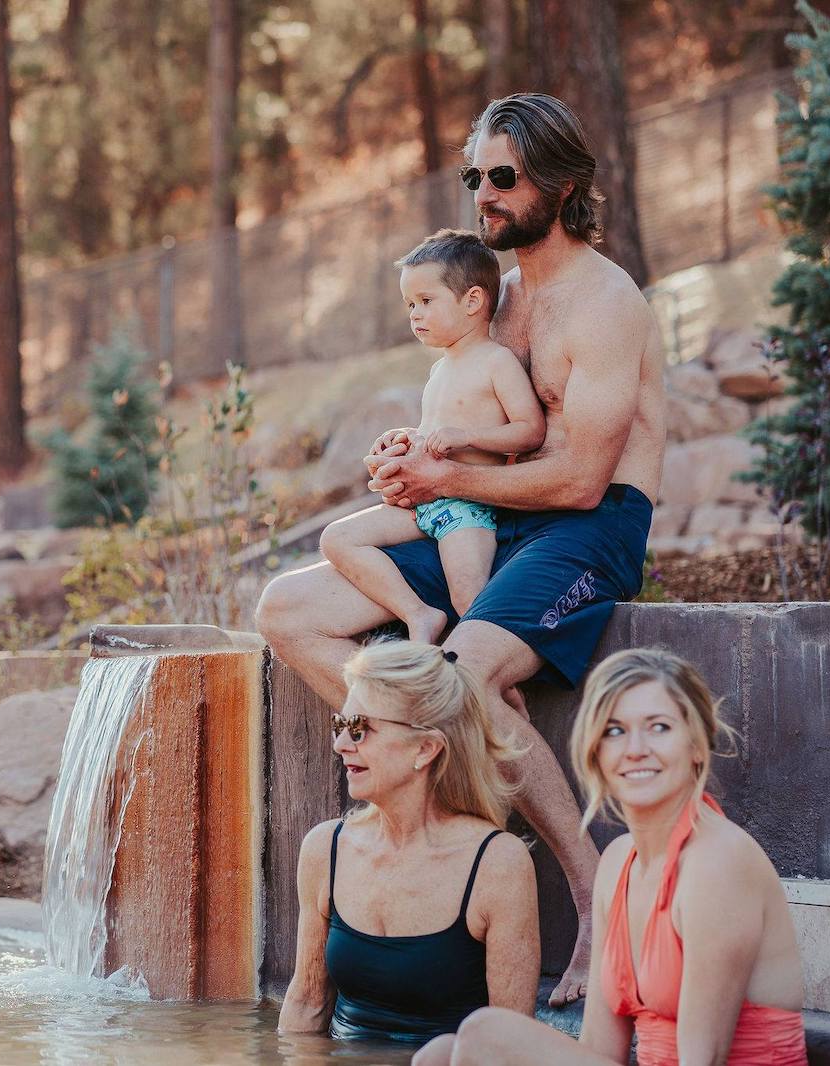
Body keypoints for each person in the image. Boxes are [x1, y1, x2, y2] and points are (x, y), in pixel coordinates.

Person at [257, 92, 666, 1005]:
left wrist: (447, 482)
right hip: (494, 516)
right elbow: (469, 429)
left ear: (560, 184)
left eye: (503, 177)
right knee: (288, 607)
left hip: (589, 525)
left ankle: (597, 899)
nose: (483, 192)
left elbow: (579, 482)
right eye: (473, 174)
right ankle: (457, 781)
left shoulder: (603, 303)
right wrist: (412, 461)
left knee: (473, 673)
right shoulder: (498, 297)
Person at [411, 648, 808, 1066]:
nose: (635, 748)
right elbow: (600, 1053)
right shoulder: (618, 864)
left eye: (658, 727)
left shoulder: (717, 864)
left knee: (485, 1033)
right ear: (595, 752)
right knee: (437, 1055)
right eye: (614, 731)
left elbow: (701, 1060)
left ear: (696, 745)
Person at [277, 640, 539, 1047]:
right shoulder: (324, 849)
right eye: (339, 725)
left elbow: (511, 1041)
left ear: (425, 749)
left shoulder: (497, 864)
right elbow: (307, 1005)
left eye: (360, 727)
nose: (341, 744)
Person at [318, 229, 545, 643]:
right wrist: (405, 440)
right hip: (424, 504)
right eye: (410, 304)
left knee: (470, 601)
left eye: (425, 301)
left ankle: (498, 680)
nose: (414, 315)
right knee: (337, 538)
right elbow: (433, 434)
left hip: (468, 508)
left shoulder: (496, 362)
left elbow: (530, 431)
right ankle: (418, 614)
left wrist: (467, 437)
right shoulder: (439, 370)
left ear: (473, 301)